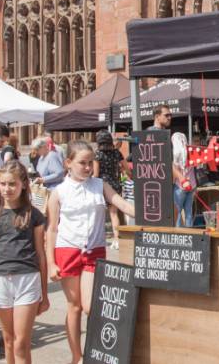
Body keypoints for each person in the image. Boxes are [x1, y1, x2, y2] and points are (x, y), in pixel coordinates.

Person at [46, 141, 135, 364]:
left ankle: (97, 351)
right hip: (67, 250)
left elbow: (121, 203)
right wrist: (50, 262)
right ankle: (77, 356)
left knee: (90, 306)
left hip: (94, 251)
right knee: (73, 306)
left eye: (90, 162)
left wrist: (150, 212)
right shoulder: (58, 192)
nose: (87, 167)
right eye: (82, 163)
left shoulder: (99, 185)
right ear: (68, 163)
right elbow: (52, 228)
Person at [0, 161, 49, 364]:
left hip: (27, 279)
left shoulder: (33, 215)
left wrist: (44, 293)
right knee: (8, 340)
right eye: (3, 184)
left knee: (21, 343)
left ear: (23, 184)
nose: (7, 189)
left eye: (12, 184)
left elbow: (40, 254)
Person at [150, 105, 193, 227]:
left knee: (174, 213)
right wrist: (181, 178)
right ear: (157, 116)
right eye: (166, 115)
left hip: (166, 183)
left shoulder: (164, 134)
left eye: (170, 115)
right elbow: (165, 161)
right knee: (170, 215)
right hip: (155, 184)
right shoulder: (153, 133)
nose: (170, 118)